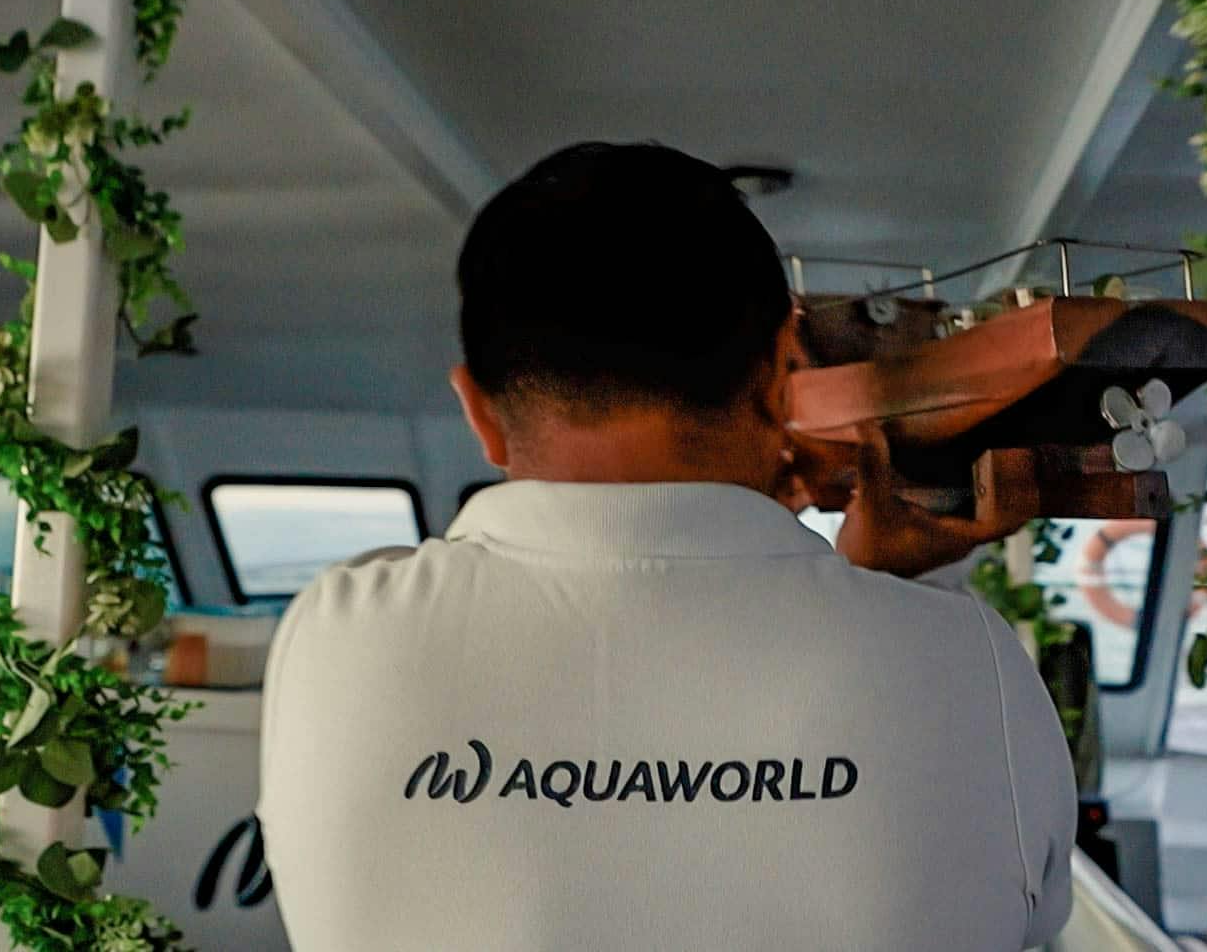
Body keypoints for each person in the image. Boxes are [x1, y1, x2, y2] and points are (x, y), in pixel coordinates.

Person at [258, 142, 1076, 950]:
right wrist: (872, 590)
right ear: (778, 371)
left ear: (477, 410)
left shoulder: (337, 636)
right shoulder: (967, 664)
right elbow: (1025, 918)